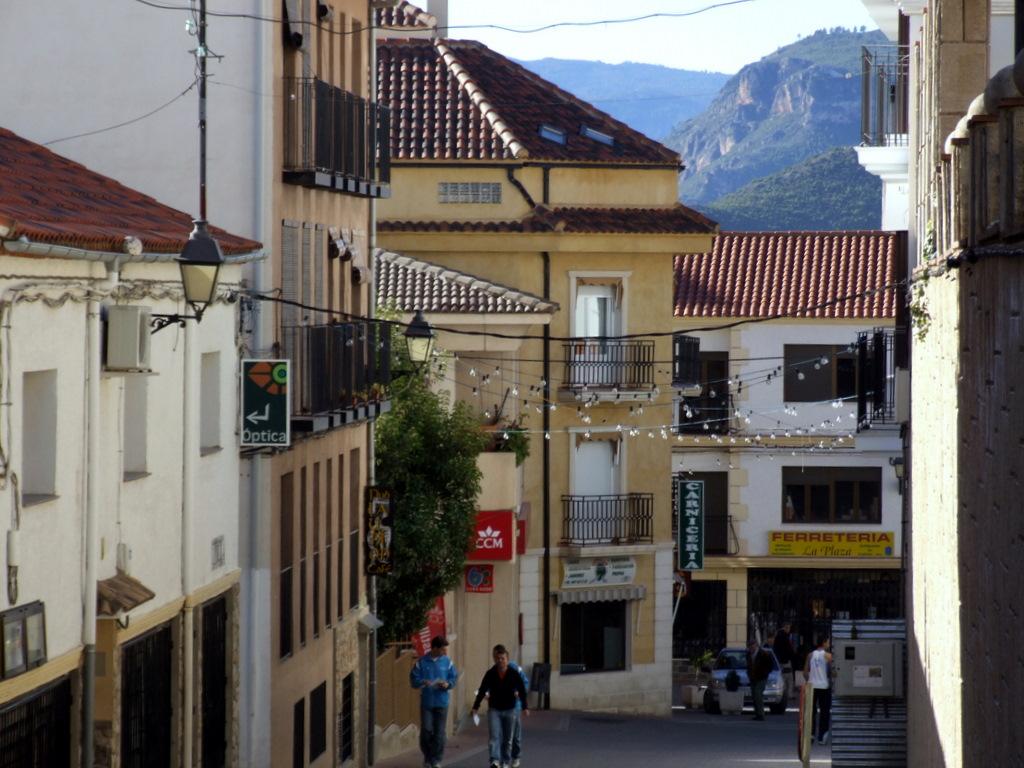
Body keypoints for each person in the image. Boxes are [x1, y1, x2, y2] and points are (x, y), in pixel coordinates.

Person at [472, 644, 529, 768]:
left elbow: (523, 686)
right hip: (495, 709)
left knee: (513, 737)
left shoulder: (514, 671)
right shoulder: (491, 673)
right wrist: (476, 706)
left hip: (513, 708)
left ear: (507, 658)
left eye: (502, 658)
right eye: (496, 657)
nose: (499, 660)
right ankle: (495, 761)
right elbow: (483, 689)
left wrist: (524, 706)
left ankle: (511, 758)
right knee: (495, 736)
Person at [410, 636, 458, 768]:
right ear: (435, 648)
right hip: (427, 703)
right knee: (426, 731)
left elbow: (454, 677)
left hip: (442, 702)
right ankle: (428, 756)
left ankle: (436, 760)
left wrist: (447, 684)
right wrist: (422, 682)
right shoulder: (422, 662)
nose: (445, 652)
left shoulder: (447, 662)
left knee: (439, 733)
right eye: (443, 649)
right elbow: (413, 680)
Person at [804, 634, 833, 745]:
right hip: (824, 686)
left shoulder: (810, 655)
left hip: (812, 687)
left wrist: (810, 679)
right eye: (828, 642)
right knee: (824, 711)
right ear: (824, 643)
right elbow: (832, 672)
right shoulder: (828, 656)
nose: (829, 644)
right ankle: (822, 736)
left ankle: (810, 734)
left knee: (811, 711)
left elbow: (805, 672)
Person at [508, 658, 530, 768]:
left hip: (515, 706)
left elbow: (525, 683)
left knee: (515, 733)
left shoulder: (515, 668)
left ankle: (516, 757)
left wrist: (519, 691)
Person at [747, 639, 774, 721]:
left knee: (758, 693)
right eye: (750, 646)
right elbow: (749, 665)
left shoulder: (763, 654)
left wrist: (765, 673)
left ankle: (761, 714)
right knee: (754, 695)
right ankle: (757, 713)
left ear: (756, 645)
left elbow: (770, 665)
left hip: (761, 677)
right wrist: (749, 673)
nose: (751, 647)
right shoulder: (748, 654)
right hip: (753, 677)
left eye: (753, 645)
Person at [772, 622, 796, 696]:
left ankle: (782, 693)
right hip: (786, 660)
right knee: (789, 678)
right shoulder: (785, 636)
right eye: (788, 628)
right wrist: (792, 655)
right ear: (785, 627)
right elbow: (788, 649)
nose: (789, 630)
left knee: (782, 677)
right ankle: (789, 694)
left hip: (779, 660)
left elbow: (775, 648)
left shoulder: (777, 636)